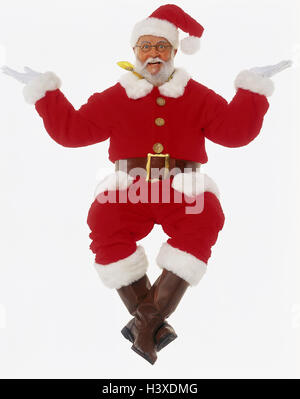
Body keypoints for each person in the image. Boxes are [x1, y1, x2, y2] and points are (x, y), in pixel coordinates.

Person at [2, 4, 292, 365]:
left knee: (205, 218)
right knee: (105, 222)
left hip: (183, 185)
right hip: (130, 185)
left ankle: (145, 325)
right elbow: (72, 131)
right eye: (145, 46)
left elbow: (234, 133)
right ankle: (154, 327)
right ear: (134, 52)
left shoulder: (196, 94)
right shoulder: (117, 95)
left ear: (173, 51)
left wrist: (252, 91)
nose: (153, 54)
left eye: (161, 46)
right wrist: (44, 93)